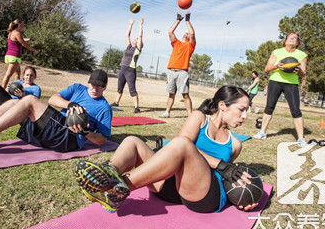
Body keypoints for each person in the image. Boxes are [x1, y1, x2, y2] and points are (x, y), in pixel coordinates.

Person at [75, 86, 259, 214]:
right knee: (133, 141)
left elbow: (227, 177)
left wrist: (244, 196)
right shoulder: (200, 118)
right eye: (242, 109)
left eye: (247, 111)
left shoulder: (235, 144)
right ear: (223, 106)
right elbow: (184, 144)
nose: (245, 116)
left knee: (182, 145)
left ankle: (115, 190)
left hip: (203, 195)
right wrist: (221, 165)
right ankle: (108, 172)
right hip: (171, 189)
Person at [0, 69, 112, 153]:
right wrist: (69, 104)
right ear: (88, 82)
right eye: (93, 84)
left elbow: (101, 140)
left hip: (68, 138)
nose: (95, 88)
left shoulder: (104, 108)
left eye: (99, 86)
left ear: (104, 87)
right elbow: (52, 99)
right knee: (15, 104)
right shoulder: (78, 88)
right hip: (54, 126)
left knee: (28, 100)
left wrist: (86, 132)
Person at [253, 32, 308, 147]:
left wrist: (298, 70)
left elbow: (303, 74)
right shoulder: (277, 52)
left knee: (295, 110)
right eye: (290, 37)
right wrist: (276, 66)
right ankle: (262, 132)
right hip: (275, 81)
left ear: (298, 42)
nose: (292, 39)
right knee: (269, 107)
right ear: (285, 40)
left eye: (295, 38)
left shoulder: (302, 55)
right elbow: (267, 69)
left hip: (291, 84)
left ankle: (301, 139)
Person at [159, 11, 196, 118]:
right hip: (171, 72)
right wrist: (178, 20)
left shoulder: (190, 45)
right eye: (186, 32)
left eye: (188, 33)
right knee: (171, 94)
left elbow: (192, 33)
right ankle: (167, 112)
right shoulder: (176, 43)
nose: (187, 33)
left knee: (185, 95)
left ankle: (190, 115)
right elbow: (170, 32)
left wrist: (187, 20)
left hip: (182, 73)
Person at [110, 18, 144, 113]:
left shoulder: (137, 49)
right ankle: (116, 102)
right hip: (123, 69)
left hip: (130, 70)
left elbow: (140, 36)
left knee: (132, 89)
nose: (135, 39)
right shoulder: (129, 46)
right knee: (120, 87)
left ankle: (137, 107)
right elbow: (127, 35)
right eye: (135, 39)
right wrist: (130, 24)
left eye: (137, 40)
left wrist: (140, 25)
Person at [1, 19, 38, 90]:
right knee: (8, 75)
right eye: (22, 26)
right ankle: (2, 90)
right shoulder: (17, 33)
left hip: (10, 55)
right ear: (19, 26)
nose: (23, 27)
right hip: (14, 56)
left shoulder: (11, 33)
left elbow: (21, 39)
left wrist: (29, 39)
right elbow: (23, 44)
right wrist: (33, 50)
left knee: (18, 73)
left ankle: (14, 89)